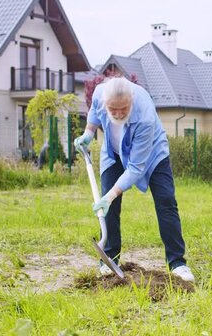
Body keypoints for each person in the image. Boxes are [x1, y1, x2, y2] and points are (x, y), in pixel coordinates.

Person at [74, 77, 195, 282]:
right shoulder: (99, 95)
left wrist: (110, 195)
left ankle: (177, 263)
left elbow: (136, 168)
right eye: (113, 109)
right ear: (106, 103)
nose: (119, 113)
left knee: (166, 202)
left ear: (131, 100)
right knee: (109, 208)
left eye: (124, 108)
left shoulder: (144, 114)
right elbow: (94, 111)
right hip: (114, 153)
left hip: (152, 155)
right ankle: (109, 260)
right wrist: (88, 132)